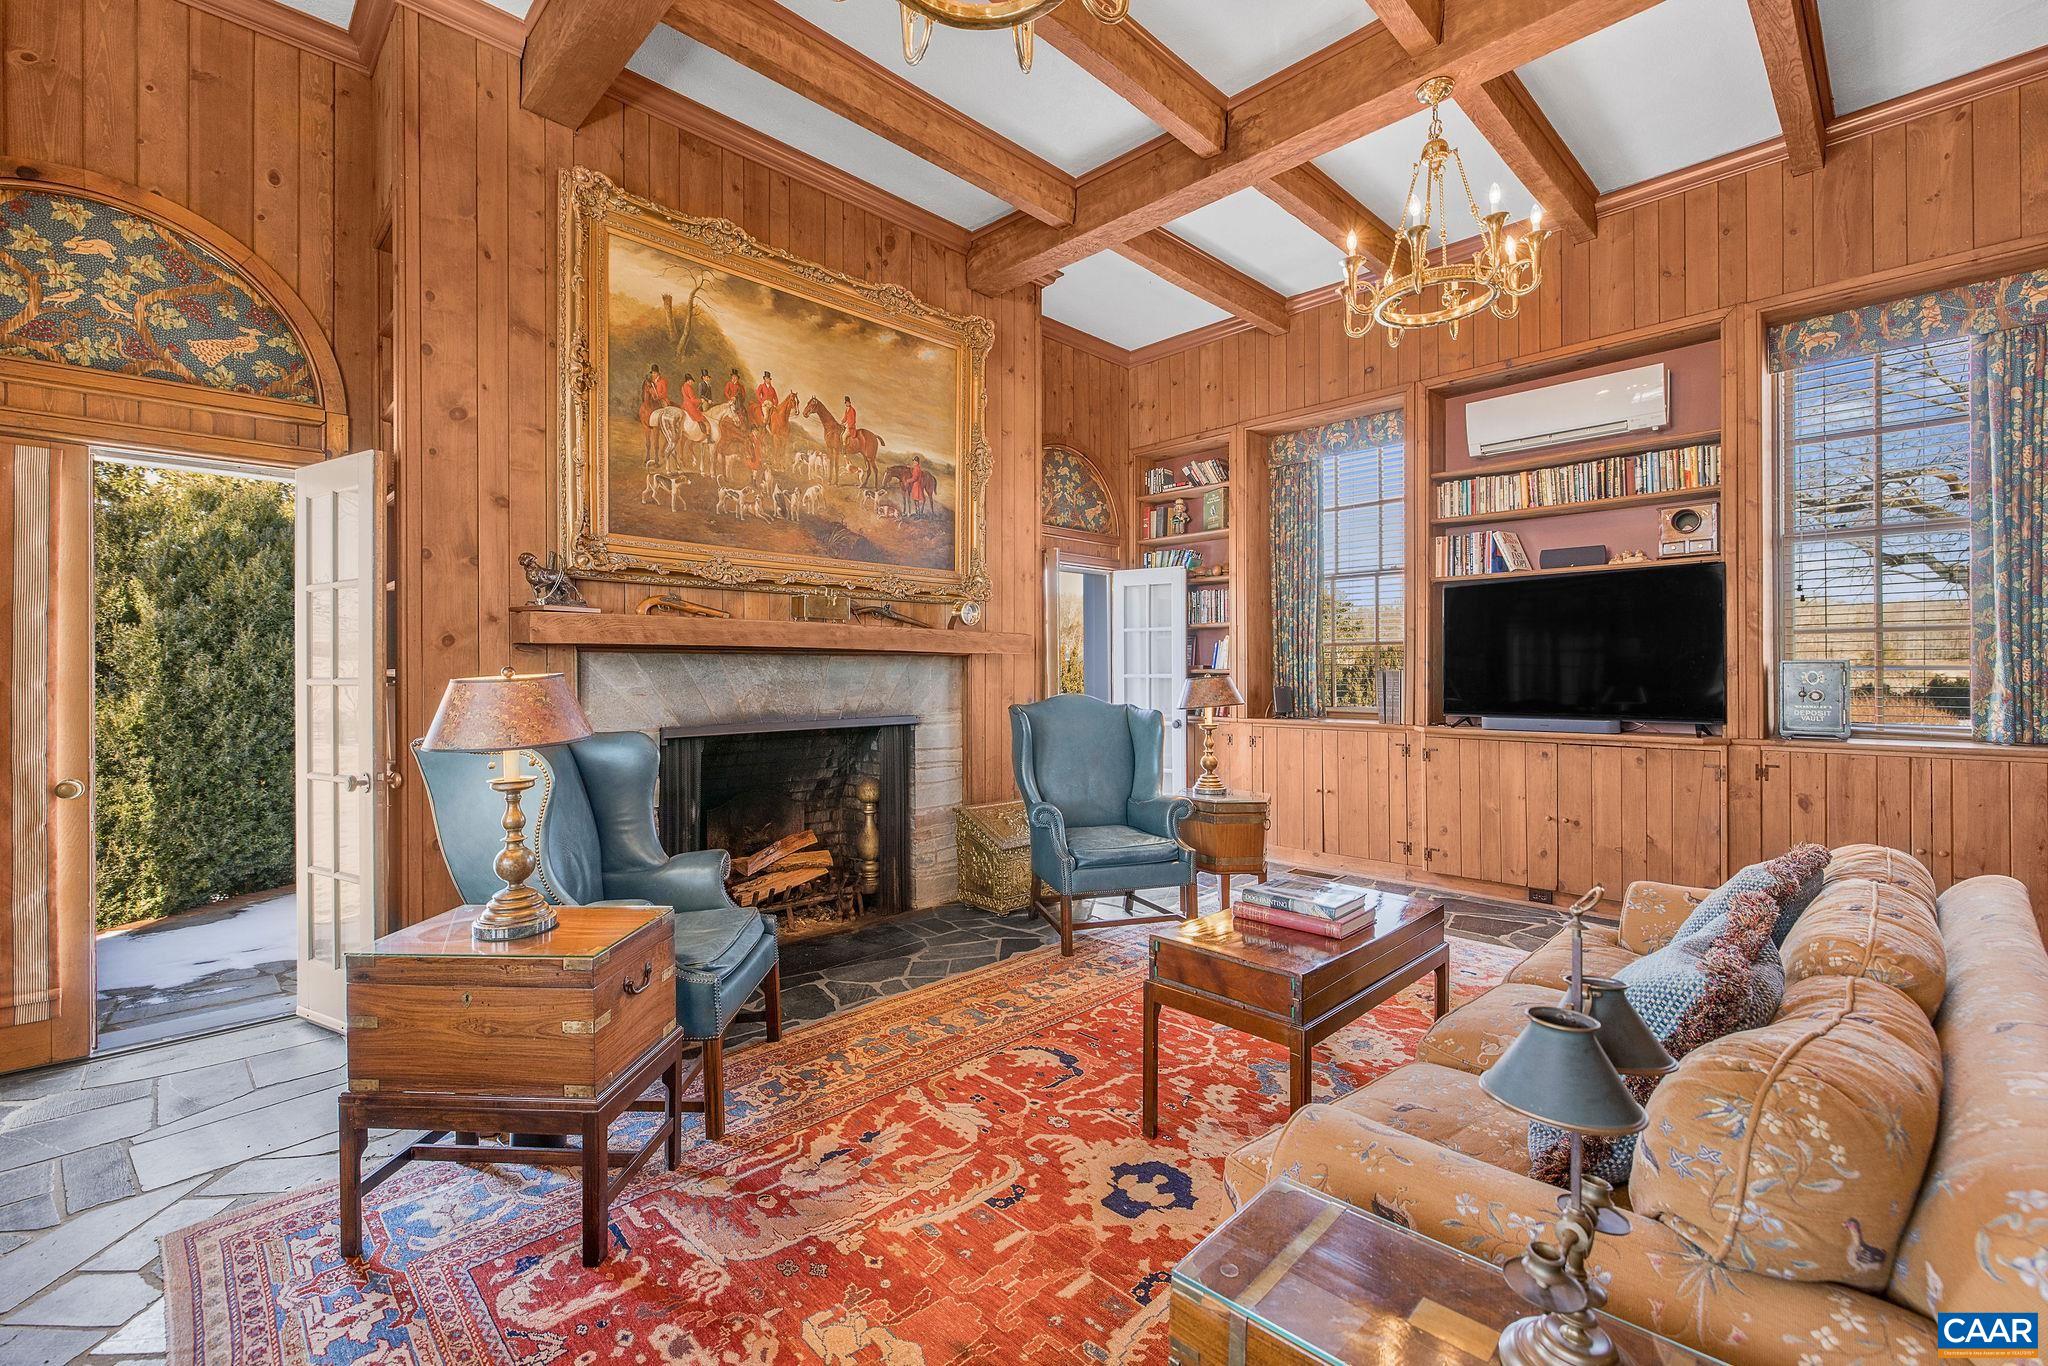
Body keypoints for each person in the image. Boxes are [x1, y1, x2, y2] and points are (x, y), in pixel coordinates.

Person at [638, 364, 668, 464]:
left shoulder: (662, 381)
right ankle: (647, 455)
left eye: (655, 373)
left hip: (661, 400)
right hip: (653, 399)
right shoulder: (651, 382)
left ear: (658, 373)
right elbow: (649, 391)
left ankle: (666, 424)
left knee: (665, 408)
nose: (654, 374)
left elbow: (664, 393)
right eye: (653, 373)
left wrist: (658, 397)